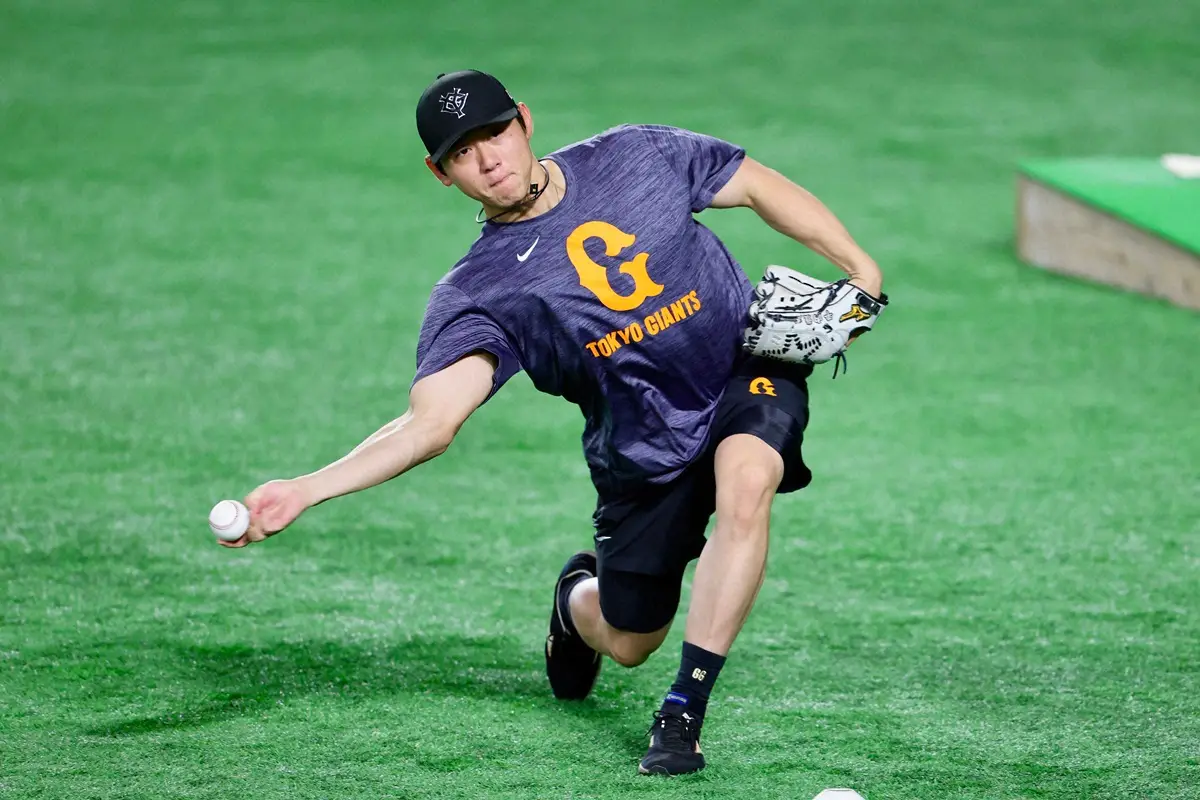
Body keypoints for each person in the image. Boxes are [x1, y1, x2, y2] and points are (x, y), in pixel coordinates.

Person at [220, 69, 886, 776]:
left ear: (525, 120)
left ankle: (683, 712)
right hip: (642, 450)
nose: (488, 157)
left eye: (495, 132)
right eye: (461, 151)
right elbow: (430, 424)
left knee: (747, 478)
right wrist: (307, 488)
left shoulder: (635, 155)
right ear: (439, 172)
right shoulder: (480, 292)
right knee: (630, 639)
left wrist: (859, 269)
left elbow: (751, 181)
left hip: (740, 372)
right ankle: (577, 606)